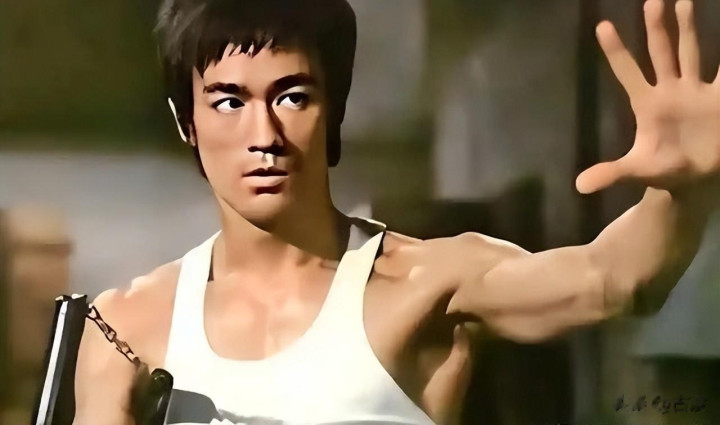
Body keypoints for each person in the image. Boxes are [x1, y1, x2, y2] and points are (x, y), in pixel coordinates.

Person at [73, 0, 720, 424]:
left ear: (335, 108)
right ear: (184, 121)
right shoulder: (128, 327)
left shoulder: (424, 284)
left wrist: (683, 191)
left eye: (292, 97)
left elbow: (613, 279)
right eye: (229, 102)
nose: (264, 134)